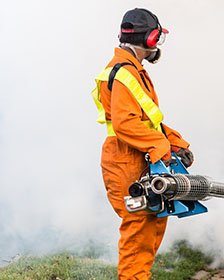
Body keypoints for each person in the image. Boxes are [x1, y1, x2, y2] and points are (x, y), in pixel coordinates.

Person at [90, 8, 194, 279]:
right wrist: (160, 148)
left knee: (153, 222)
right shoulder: (124, 72)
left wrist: (174, 142)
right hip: (125, 159)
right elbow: (125, 125)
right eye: (157, 38)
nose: (157, 45)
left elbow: (149, 121)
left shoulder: (132, 70)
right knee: (138, 231)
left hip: (136, 155)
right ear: (149, 39)